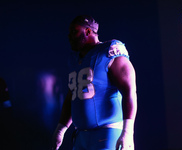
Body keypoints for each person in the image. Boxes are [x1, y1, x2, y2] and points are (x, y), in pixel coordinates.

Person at [51, 15, 137, 150]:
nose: (70, 36)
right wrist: (61, 129)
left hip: (108, 132)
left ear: (88, 31)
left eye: (74, 31)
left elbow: (129, 91)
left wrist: (127, 131)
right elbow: (72, 96)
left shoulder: (109, 50)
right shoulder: (75, 59)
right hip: (81, 135)